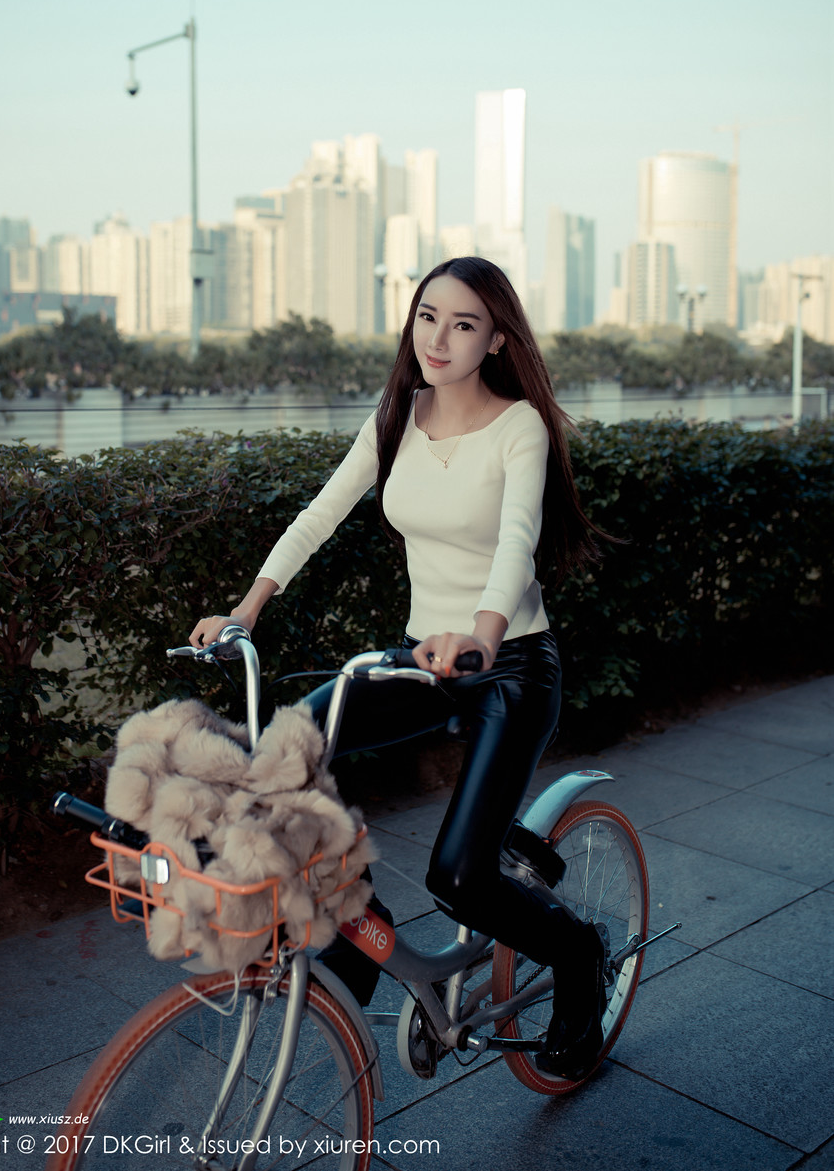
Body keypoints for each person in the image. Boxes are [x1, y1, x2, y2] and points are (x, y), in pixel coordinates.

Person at [190, 256, 610, 1080]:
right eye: (428, 316)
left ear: (496, 340)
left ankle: (579, 955)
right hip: (421, 659)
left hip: (509, 667)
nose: (439, 338)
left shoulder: (519, 426)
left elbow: (517, 543)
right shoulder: (396, 414)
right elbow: (320, 513)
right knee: (285, 753)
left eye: (463, 323)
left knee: (460, 876)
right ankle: (358, 932)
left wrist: (482, 635)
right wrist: (246, 609)